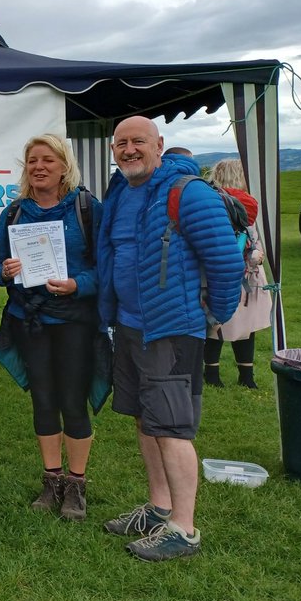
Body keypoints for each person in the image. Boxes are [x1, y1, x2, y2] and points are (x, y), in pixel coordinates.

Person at [98, 116, 244, 561]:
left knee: (172, 427)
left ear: (158, 144)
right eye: (120, 143)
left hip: (171, 328)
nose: (128, 150)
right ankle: (160, 508)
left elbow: (225, 262)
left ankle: (184, 527)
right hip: (129, 325)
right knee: (146, 419)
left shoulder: (189, 192)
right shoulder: (121, 191)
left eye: (137, 141)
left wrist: (213, 316)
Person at [0, 135, 103, 522]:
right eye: (32, 160)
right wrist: (3, 272)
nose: (39, 167)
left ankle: (77, 483)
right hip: (29, 320)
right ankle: (51, 479)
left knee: (72, 400)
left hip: (73, 321)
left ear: (65, 165)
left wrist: (77, 284)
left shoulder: (87, 209)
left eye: (47, 160)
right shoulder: (15, 212)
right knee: (43, 400)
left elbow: (107, 268)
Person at [203, 158, 272, 389]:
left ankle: (243, 375)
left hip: (242, 272)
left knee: (241, 325)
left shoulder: (244, 204)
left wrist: (256, 253)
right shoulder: (219, 204)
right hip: (231, 273)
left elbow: (255, 239)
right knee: (217, 323)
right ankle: (215, 375)